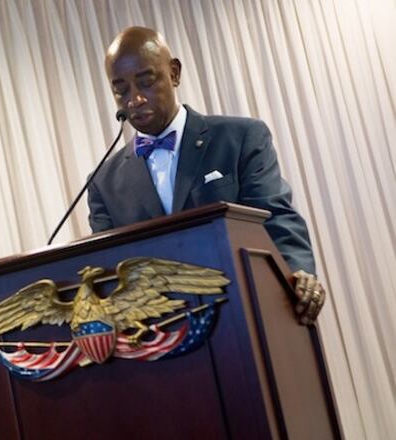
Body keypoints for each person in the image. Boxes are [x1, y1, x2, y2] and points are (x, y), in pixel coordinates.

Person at [88, 26, 325, 325]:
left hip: (248, 312)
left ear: (174, 73)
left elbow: (275, 217)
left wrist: (297, 273)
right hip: (162, 333)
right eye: (121, 90)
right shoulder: (103, 182)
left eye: (146, 82)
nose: (134, 99)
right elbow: (107, 270)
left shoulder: (240, 138)